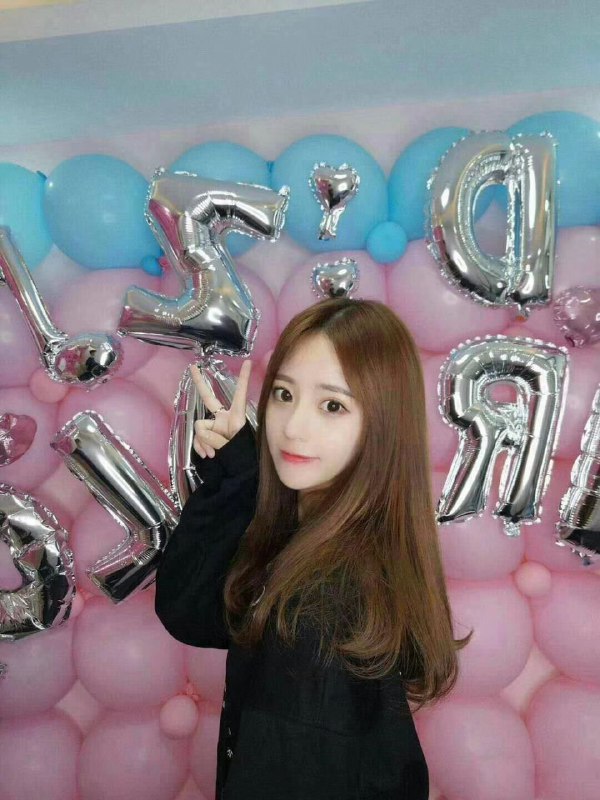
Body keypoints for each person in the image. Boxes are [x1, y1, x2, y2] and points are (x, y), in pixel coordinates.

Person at [155, 297, 472, 800]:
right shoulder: (322, 534)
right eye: (284, 394)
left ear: (383, 426)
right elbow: (195, 613)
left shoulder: (320, 605)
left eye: (332, 406)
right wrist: (239, 476)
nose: (293, 426)